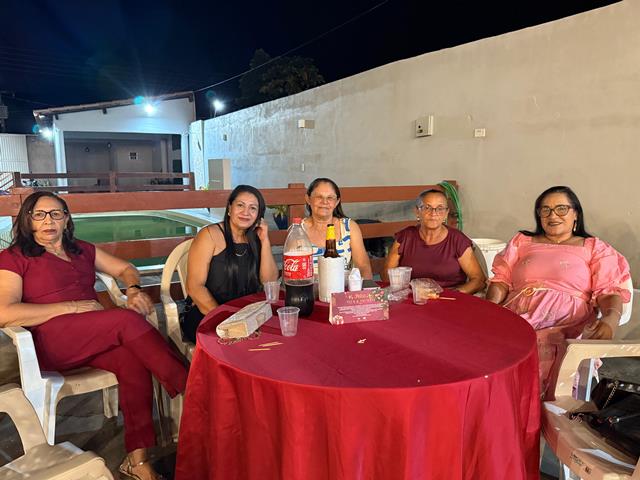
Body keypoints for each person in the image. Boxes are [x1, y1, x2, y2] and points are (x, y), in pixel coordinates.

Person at [0, 191, 187, 480]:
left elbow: (126, 268)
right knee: (125, 319)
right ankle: (192, 387)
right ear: (28, 220)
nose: (48, 220)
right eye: (39, 214)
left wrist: (133, 289)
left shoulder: (81, 250)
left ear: (66, 219)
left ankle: (137, 460)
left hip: (93, 335)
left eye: (56, 214)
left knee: (131, 361)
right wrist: (71, 307)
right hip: (51, 343)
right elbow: (5, 313)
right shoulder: (14, 257)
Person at [486, 186, 631, 397]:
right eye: (545, 210)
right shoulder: (522, 241)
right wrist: (489, 309)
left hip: (566, 323)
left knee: (544, 360)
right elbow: (501, 280)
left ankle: (538, 410)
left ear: (576, 214)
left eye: (561, 209)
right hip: (517, 317)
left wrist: (610, 319)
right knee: (484, 349)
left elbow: (608, 292)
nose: (552, 215)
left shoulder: (594, 248)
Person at [183, 185, 278, 342]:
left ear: (258, 215)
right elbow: (194, 287)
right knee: (240, 347)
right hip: (208, 312)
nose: (246, 212)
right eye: (240, 205)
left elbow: (269, 281)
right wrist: (228, 323)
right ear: (229, 208)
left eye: (253, 208)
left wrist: (265, 240)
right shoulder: (210, 235)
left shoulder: (256, 237)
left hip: (245, 313)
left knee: (274, 339)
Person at [383, 189, 486, 294]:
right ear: (417, 211)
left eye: (440, 208)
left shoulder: (457, 240)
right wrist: (405, 293)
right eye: (427, 208)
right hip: (414, 297)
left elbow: (479, 280)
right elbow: (387, 275)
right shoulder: (405, 237)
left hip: (450, 298)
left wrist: (454, 294)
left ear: (446, 213)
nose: (433, 213)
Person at [302, 178, 373, 279]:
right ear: (308, 199)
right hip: (308, 288)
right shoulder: (298, 230)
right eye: (319, 197)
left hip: (344, 287)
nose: (324, 202)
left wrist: (361, 286)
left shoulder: (349, 227)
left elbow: (363, 267)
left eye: (330, 198)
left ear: (337, 202)